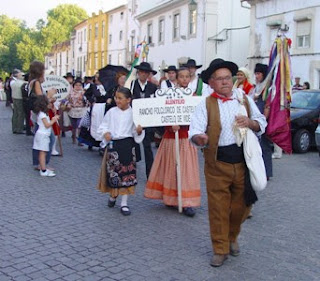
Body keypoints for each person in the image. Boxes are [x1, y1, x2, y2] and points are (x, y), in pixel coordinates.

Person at [189, 58, 267, 267]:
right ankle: (220, 248)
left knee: (242, 207)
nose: (225, 82)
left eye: (227, 78)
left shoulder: (244, 100)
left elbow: (262, 122)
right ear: (211, 83)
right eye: (219, 79)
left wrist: (250, 122)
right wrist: (200, 138)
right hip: (216, 164)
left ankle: (232, 236)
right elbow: (194, 130)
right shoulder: (204, 104)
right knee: (218, 209)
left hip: (243, 162)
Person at [145, 67, 201, 217]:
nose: (184, 79)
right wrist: (171, 125)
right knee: (172, 167)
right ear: (176, 78)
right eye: (181, 77)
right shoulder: (170, 95)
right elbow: (164, 114)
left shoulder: (194, 96)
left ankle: (187, 201)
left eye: (186, 77)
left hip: (186, 136)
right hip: (172, 136)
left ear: (190, 78)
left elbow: (198, 116)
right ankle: (171, 198)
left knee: (186, 169)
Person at [97, 87, 144, 216]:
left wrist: (139, 131)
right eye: (116, 98)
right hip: (114, 145)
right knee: (114, 174)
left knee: (127, 175)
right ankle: (113, 196)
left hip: (128, 145)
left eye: (120, 98)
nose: (117, 100)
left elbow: (135, 131)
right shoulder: (112, 112)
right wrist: (105, 132)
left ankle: (124, 202)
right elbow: (103, 125)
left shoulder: (134, 113)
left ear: (128, 100)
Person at [131, 62, 158, 178]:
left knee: (147, 147)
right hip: (134, 120)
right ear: (138, 73)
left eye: (145, 73)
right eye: (141, 72)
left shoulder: (153, 87)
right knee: (133, 147)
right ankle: (131, 172)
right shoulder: (132, 85)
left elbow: (156, 102)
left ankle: (149, 174)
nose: (143, 75)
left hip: (147, 120)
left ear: (148, 75)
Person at [29, 60, 56, 170]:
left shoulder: (32, 81)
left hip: (35, 112)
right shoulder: (36, 83)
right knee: (49, 138)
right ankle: (43, 163)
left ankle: (38, 162)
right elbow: (41, 100)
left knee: (38, 139)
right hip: (39, 113)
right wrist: (49, 95)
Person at [252, 63, 273, 178]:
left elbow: (267, 105)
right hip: (257, 118)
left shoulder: (267, 88)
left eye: (258, 73)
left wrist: (263, 120)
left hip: (263, 120)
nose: (256, 76)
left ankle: (267, 172)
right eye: (255, 73)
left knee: (265, 146)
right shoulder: (258, 86)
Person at [32, 95, 60, 177]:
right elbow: (47, 125)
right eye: (48, 103)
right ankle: (43, 170)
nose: (50, 105)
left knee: (43, 152)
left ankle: (43, 168)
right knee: (42, 153)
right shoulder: (42, 115)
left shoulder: (43, 113)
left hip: (43, 135)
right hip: (42, 135)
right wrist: (54, 120)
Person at [66, 78, 87, 145]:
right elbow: (65, 100)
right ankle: (73, 136)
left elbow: (87, 101)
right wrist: (68, 104)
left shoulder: (84, 92)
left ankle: (79, 140)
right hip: (72, 110)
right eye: (76, 85)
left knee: (79, 125)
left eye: (79, 85)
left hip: (81, 110)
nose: (78, 87)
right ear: (74, 86)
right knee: (74, 126)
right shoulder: (70, 93)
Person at [11, 69, 25, 134]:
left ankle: (14, 128)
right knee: (20, 114)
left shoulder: (13, 82)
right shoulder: (22, 83)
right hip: (20, 98)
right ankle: (19, 128)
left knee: (15, 114)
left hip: (14, 98)